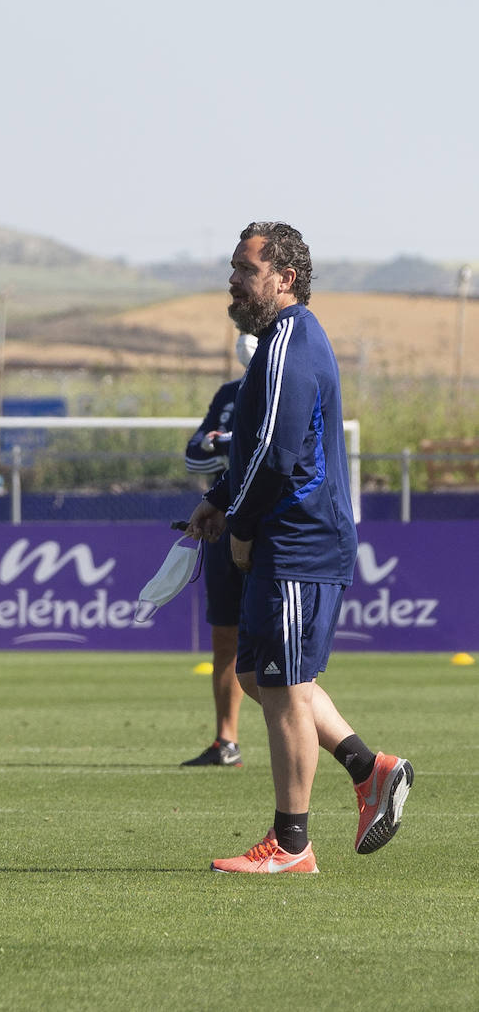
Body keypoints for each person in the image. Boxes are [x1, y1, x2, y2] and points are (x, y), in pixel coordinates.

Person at [186, 222, 412, 873]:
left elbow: (278, 455)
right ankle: (369, 769)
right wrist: (219, 496)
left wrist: (240, 524)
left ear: (284, 278)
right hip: (291, 538)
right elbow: (257, 447)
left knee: (284, 686)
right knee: (257, 676)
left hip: (298, 540)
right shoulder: (279, 342)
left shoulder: (290, 341)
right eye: (233, 267)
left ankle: (290, 845)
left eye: (246, 269)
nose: (234, 279)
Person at [179, 333, 257, 768]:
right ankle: (226, 741)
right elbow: (193, 455)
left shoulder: (287, 384)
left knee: (276, 641)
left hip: (268, 529)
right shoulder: (228, 394)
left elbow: (269, 451)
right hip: (222, 525)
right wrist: (222, 445)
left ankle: (303, 737)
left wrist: (223, 443)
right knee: (224, 633)